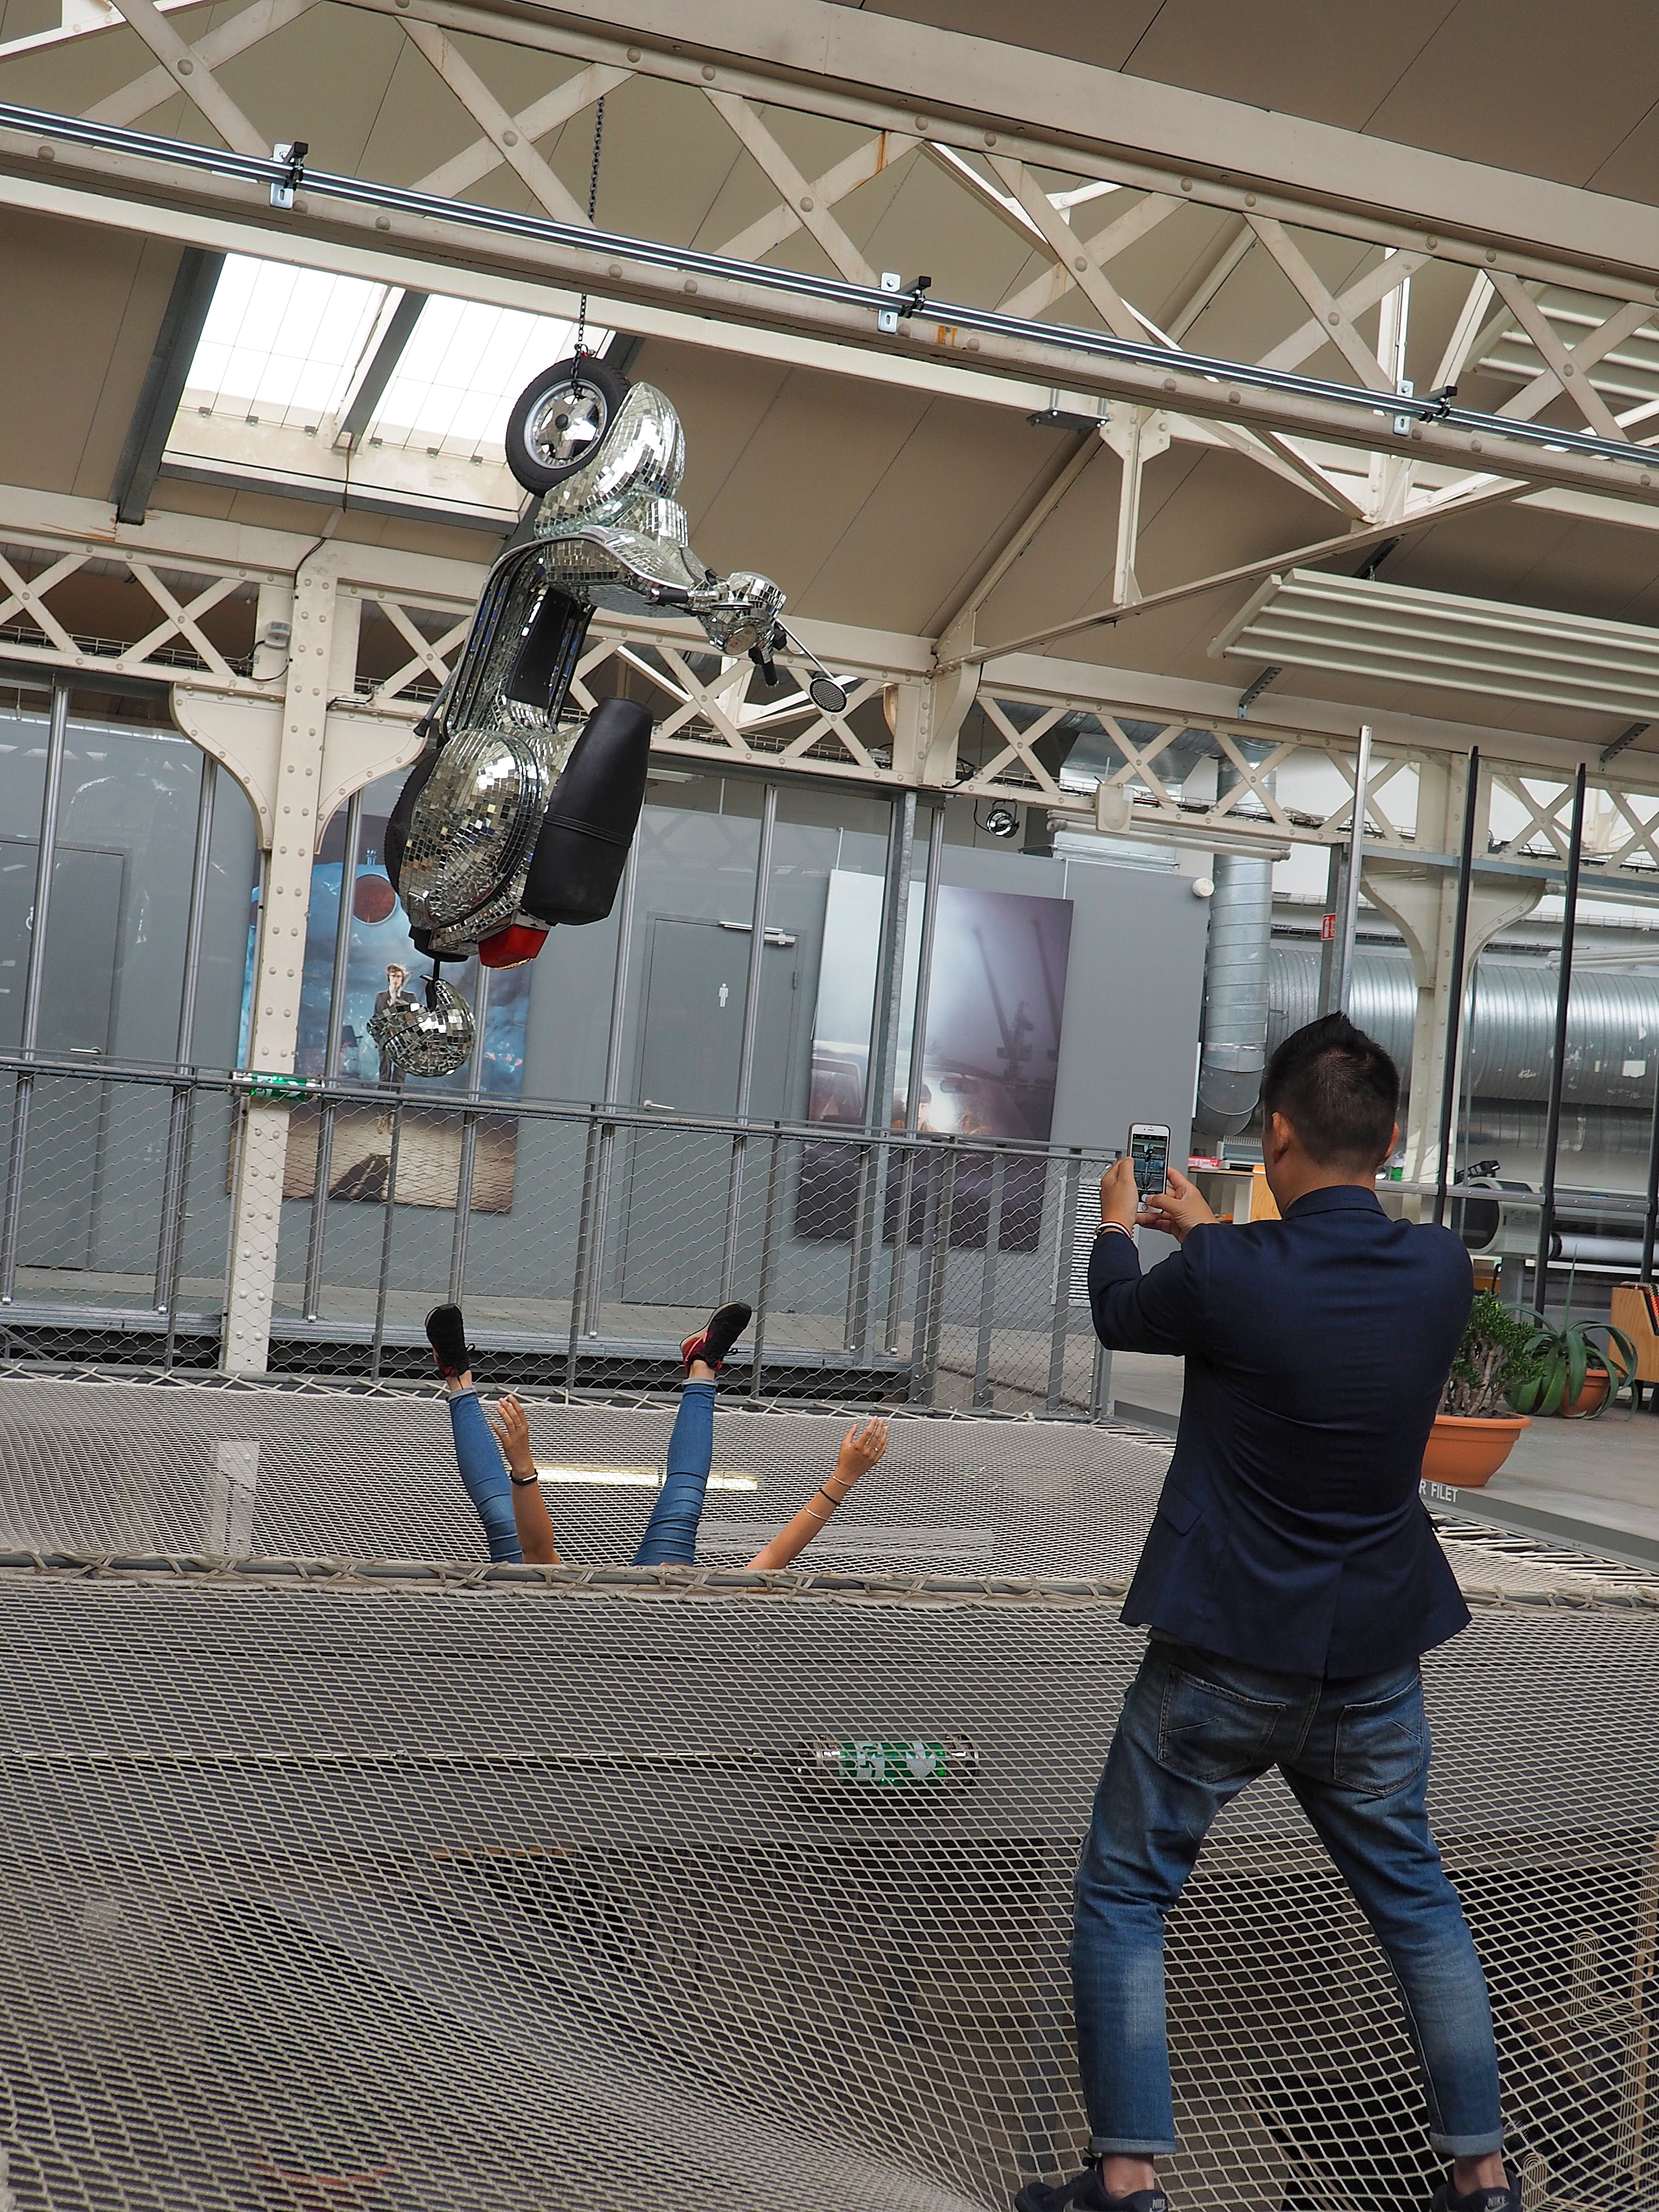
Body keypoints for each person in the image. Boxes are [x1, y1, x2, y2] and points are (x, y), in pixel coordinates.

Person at [1020, 1014, 1515, 2212]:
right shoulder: (1440, 1268)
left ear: (1275, 1136)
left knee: (1126, 1895)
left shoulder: (1227, 1274)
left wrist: (1115, 1225)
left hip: (1222, 1654)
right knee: (1417, 1905)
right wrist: (1213, 1235)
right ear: (1387, 1145)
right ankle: (1483, 2178)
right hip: (1373, 1659)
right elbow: (1306, 1292)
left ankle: (1128, 2181)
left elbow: (1124, 1313)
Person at [423, 1298, 889, 1571]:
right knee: (684, 1502)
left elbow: (537, 1552)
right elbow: (775, 1556)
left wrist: (524, 1469)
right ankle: (702, 1363)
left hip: (561, 1608)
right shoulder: (695, 1599)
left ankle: (457, 1377)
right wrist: (844, 1477)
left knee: (503, 1519)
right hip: (662, 1592)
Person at [372, 962, 412, 1085]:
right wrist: (378, 1038)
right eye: (393, 976)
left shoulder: (409, 997)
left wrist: (405, 1007)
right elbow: (376, 1018)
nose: (396, 979)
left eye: (399, 977)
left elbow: (416, 1018)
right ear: (389, 978)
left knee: (400, 1075)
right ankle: (382, 1096)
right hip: (385, 1039)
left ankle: (398, 1097)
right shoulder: (381, 997)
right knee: (385, 1072)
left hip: (403, 1041)